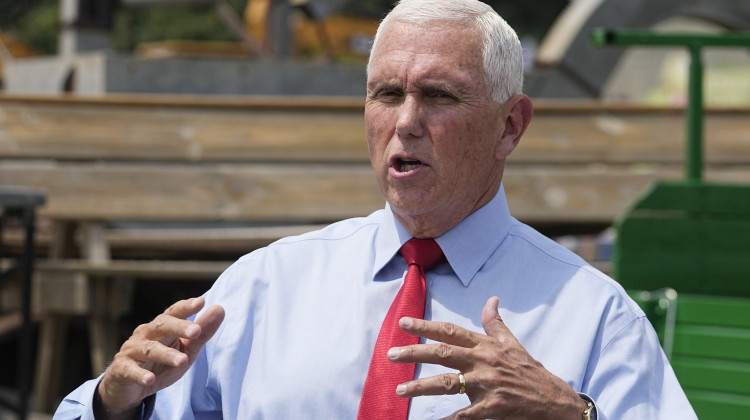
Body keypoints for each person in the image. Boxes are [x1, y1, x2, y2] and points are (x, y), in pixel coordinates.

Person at [54, 0, 697, 419]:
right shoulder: (262, 290)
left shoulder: (595, 317)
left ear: (510, 126)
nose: (407, 122)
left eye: (440, 96)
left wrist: (572, 415)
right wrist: (113, 402)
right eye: (387, 93)